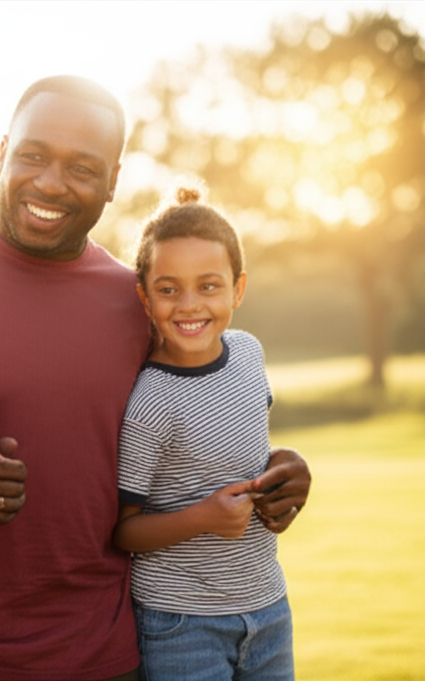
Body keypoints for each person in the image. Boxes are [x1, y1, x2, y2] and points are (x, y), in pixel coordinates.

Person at [0, 76, 311, 681]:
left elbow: (187, 428)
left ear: (113, 182)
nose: (51, 182)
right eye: (33, 156)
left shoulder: (139, 304)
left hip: (105, 655)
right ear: (3, 152)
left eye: (82, 168)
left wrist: (280, 466)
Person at [114, 185, 294, 680]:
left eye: (209, 286)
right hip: (179, 622)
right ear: (144, 297)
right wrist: (204, 517)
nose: (189, 305)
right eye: (168, 289)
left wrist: (283, 467)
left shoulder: (249, 355)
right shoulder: (149, 400)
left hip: (268, 605)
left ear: (238, 289)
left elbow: (248, 451)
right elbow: (123, 529)